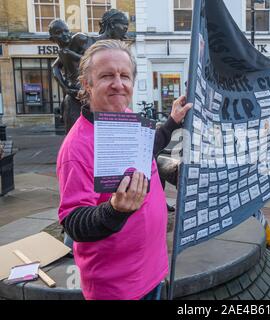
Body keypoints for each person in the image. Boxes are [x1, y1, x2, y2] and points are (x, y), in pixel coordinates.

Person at [56, 40, 192, 300]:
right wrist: (114, 211)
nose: (118, 84)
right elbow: (73, 223)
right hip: (117, 288)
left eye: (124, 75)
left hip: (152, 270)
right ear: (87, 83)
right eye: (107, 76)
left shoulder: (127, 117)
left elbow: (146, 150)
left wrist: (172, 122)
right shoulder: (76, 148)